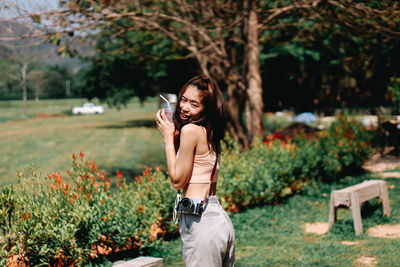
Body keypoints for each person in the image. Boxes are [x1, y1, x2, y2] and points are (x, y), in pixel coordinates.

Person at [156, 75, 235, 266]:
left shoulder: (190, 131)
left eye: (194, 104)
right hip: (216, 217)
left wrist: (167, 138)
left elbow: (177, 181)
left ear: (205, 110)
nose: (184, 107)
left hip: (200, 220)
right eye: (183, 100)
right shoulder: (210, 134)